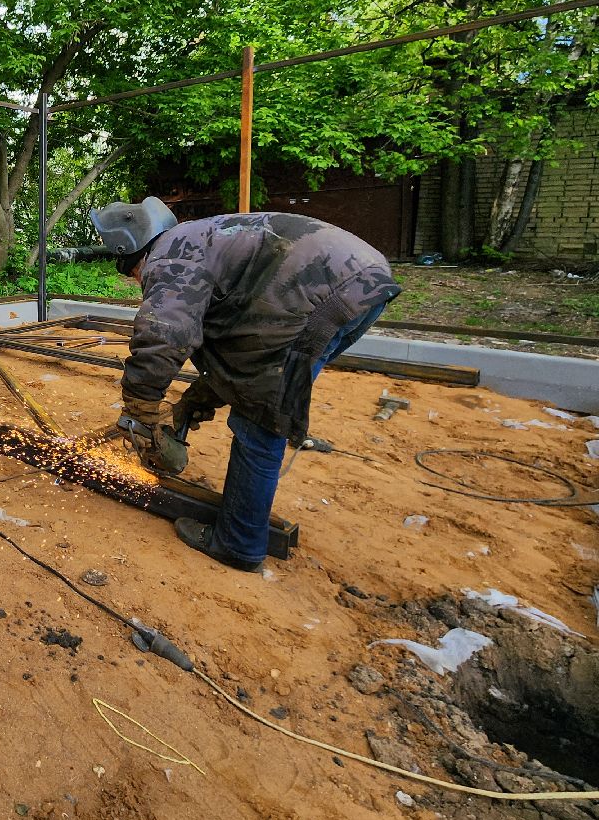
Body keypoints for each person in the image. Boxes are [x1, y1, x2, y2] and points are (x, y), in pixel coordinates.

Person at [90, 196, 400, 573]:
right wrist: (208, 389)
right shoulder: (203, 238)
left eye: (132, 276)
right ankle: (243, 528)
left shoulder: (170, 256)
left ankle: (238, 544)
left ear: (132, 257)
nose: (138, 282)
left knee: (259, 421)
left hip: (323, 293)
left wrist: (139, 407)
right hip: (362, 284)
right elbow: (243, 340)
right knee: (266, 390)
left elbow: (163, 335)